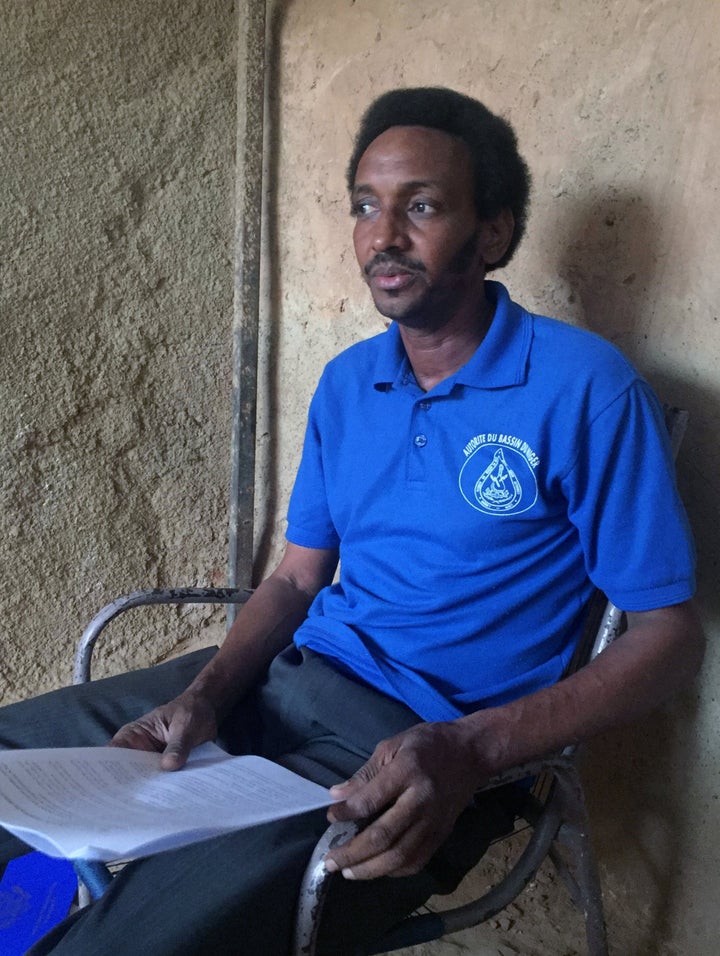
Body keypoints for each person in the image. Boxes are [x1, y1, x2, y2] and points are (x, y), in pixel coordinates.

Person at [0, 87, 704, 955]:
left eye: (424, 206)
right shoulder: (349, 382)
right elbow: (300, 575)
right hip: (276, 688)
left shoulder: (587, 390)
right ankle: (18, 927)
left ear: (492, 232)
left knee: (137, 940)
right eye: (367, 206)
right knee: (10, 771)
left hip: (420, 757)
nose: (384, 236)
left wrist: (474, 750)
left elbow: (670, 637)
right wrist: (206, 693)